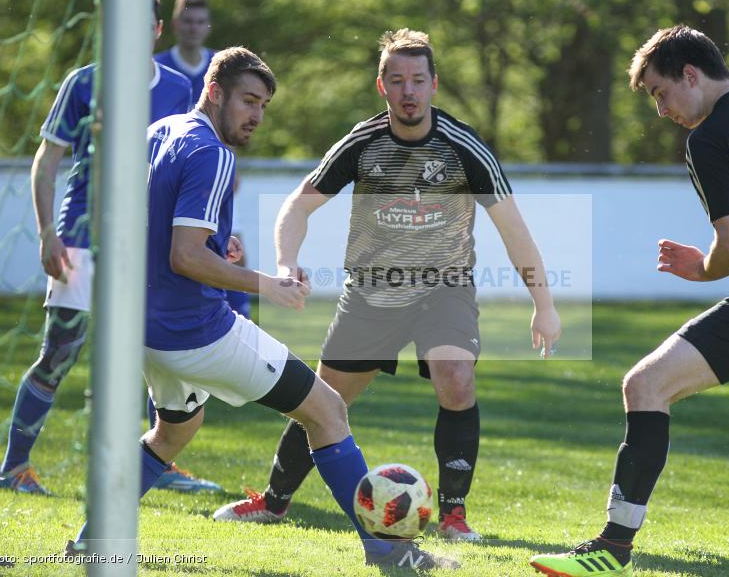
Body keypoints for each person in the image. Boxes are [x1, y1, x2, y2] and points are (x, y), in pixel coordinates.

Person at [67, 46, 458, 571]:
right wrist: (265, 284)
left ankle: (93, 536)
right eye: (248, 100)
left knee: (173, 431)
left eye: (264, 106)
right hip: (196, 331)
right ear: (214, 91)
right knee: (327, 410)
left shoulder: (160, 133)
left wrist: (215, 250)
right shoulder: (213, 154)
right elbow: (184, 256)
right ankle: (391, 551)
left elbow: (149, 230)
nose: (256, 115)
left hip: (141, 329)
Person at [530, 25, 729, 577]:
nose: (661, 110)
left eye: (660, 93)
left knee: (644, 385)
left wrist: (701, 269)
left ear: (690, 74)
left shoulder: (708, 140)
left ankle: (612, 548)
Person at [212, 28, 561, 542]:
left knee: (456, 379)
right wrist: (287, 261)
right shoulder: (363, 141)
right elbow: (298, 206)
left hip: (445, 289)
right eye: (397, 80)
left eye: (418, 79)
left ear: (434, 84)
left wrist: (544, 305)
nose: (408, 91)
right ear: (382, 87)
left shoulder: (466, 147)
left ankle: (454, 514)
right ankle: (275, 501)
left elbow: (515, 230)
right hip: (372, 293)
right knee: (323, 401)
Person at [0, 0, 220, 496]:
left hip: (146, 247)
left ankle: (156, 464)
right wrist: (47, 232)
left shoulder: (181, 89)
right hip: (80, 240)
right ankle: (13, 468)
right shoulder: (85, 82)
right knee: (60, 352)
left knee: (162, 354)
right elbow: (46, 160)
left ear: (157, 30)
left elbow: (192, 170)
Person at [155, 0, 251, 321]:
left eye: (200, 22)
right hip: (169, 179)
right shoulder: (159, 69)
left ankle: (240, 319)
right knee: (174, 252)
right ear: (175, 25)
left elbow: (233, 120)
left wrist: (231, 166)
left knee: (230, 246)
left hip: (210, 176)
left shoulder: (221, 67)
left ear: (207, 27)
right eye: (188, 21)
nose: (193, 28)